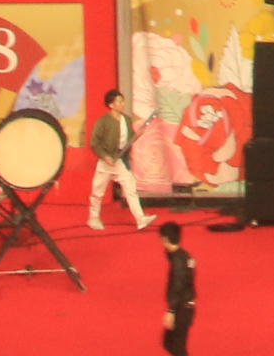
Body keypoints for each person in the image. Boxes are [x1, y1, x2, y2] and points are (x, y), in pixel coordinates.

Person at [88, 87, 148, 230]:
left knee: (130, 189)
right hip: (106, 161)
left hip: (120, 160)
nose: (123, 104)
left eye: (123, 101)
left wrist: (137, 135)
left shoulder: (126, 119)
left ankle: (140, 218)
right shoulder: (103, 122)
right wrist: (105, 156)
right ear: (111, 105)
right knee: (98, 190)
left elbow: (129, 140)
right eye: (119, 102)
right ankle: (93, 217)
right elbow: (94, 143)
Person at [159, 220, 195, 356]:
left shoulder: (178, 261)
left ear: (165, 239)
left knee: (176, 346)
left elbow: (178, 285)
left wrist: (171, 310)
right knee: (171, 343)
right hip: (187, 306)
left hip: (182, 308)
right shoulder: (184, 256)